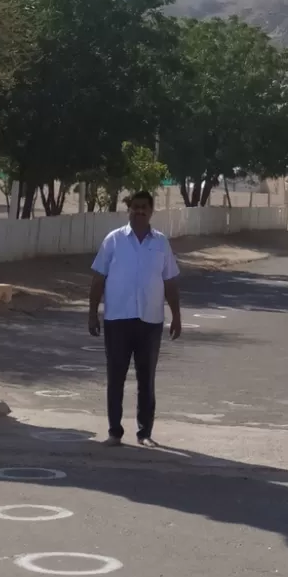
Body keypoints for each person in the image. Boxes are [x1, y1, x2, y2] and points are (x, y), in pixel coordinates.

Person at [88, 191, 182, 446]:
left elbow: (170, 281)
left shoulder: (161, 243)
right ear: (129, 210)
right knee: (116, 377)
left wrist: (176, 316)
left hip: (150, 321)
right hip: (117, 319)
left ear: (151, 211)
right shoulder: (114, 240)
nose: (139, 211)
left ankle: (145, 433)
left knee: (146, 379)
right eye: (135, 207)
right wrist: (92, 314)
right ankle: (114, 432)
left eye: (144, 207)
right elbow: (98, 278)